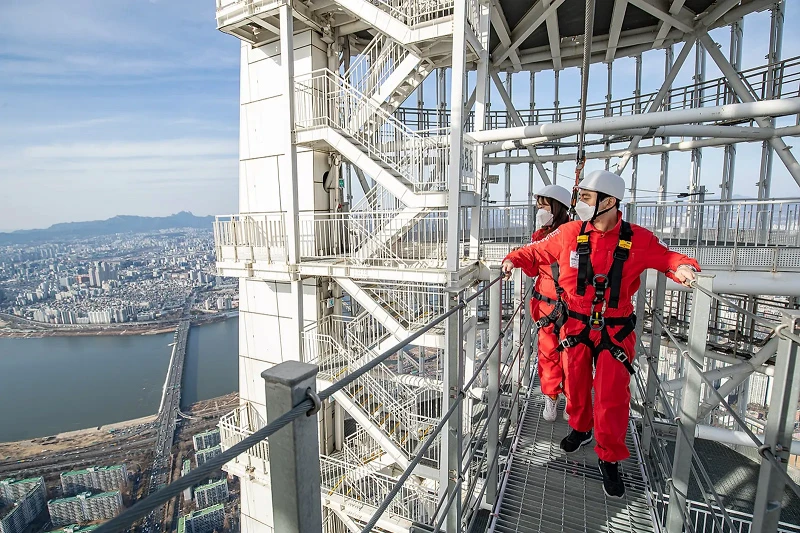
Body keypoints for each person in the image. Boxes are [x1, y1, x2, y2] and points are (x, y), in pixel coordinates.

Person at [501, 170, 700, 499]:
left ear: (608, 202)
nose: (579, 203)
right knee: (576, 384)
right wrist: (512, 259)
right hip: (576, 322)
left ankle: (609, 458)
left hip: (615, 327)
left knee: (611, 396)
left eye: (587, 198)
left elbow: (667, 258)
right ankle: (581, 429)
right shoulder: (569, 233)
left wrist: (683, 268)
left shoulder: (637, 239)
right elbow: (537, 251)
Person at [520, 185, 572, 422]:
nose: (540, 210)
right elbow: (533, 270)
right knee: (548, 355)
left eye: (544, 206)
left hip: (566, 305)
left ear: (557, 208)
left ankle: (571, 401)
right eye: (539, 206)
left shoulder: (575, 233)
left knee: (571, 357)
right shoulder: (539, 236)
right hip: (548, 306)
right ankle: (552, 396)